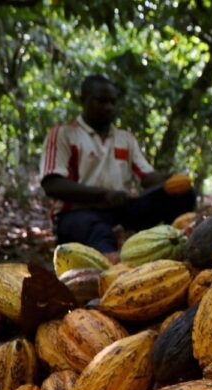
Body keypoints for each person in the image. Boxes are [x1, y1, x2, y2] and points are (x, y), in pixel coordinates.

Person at [40, 74, 196, 259]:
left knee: (183, 193)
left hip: (121, 209)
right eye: (101, 101)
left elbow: (146, 177)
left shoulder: (125, 138)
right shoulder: (64, 134)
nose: (108, 108)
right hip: (77, 212)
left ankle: (178, 244)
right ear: (83, 99)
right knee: (99, 233)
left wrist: (169, 178)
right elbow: (52, 184)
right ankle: (112, 268)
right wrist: (104, 195)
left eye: (113, 102)